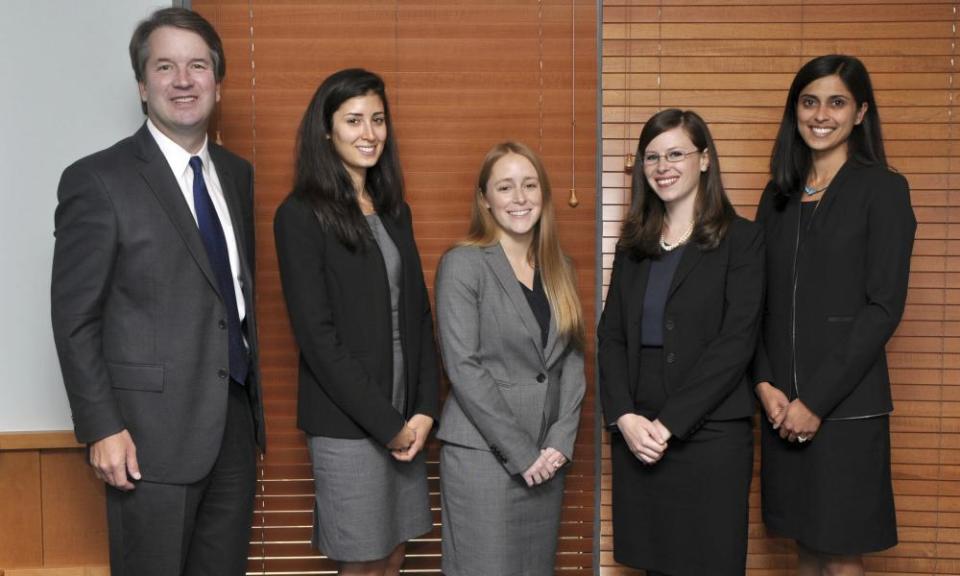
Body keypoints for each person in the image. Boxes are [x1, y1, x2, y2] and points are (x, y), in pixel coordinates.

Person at [50, 7, 263, 575]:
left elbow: (230, 300)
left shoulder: (236, 175)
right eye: (165, 67)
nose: (183, 80)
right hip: (146, 438)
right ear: (143, 86)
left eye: (197, 66)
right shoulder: (97, 180)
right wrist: (101, 427)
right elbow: (75, 319)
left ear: (218, 81)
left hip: (234, 428)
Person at [753, 54, 916, 576]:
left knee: (841, 554)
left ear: (861, 113)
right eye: (809, 101)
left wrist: (815, 402)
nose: (821, 114)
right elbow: (753, 303)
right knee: (804, 545)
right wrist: (765, 384)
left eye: (837, 102)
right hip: (780, 405)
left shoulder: (884, 190)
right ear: (794, 111)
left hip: (846, 408)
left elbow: (883, 307)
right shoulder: (776, 197)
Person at [273, 68, 438, 576]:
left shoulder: (395, 211)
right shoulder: (299, 215)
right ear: (326, 130)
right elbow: (317, 338)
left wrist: (426, 410)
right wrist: (387, 426)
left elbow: (418, 316)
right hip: (349, 425)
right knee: (362, 559)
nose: (369, 133)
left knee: (394, 553)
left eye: (378, 119)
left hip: (405, 418)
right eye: (353, 120)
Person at [597, 109, 764, 576]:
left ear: (704, 159)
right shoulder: (633, 245)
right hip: (638, 433)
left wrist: (669, 424)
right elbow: (610, 335)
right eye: (651, 156)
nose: (662, 166)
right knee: (655, 565)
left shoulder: (743, 240)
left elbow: (736, 343)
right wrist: (625, 416)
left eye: (675, 153)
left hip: (709, 434)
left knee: (709, 563)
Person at [434, 141, 586, 575]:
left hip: (547, 461)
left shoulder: (561, 267)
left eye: (530, 185)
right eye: (505, 187)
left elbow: (572, 361)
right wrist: (523, 454)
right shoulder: (463, 264)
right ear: (485, 199)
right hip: (485, 458)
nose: (520, 198)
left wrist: (560, 441)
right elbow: (464, 368)